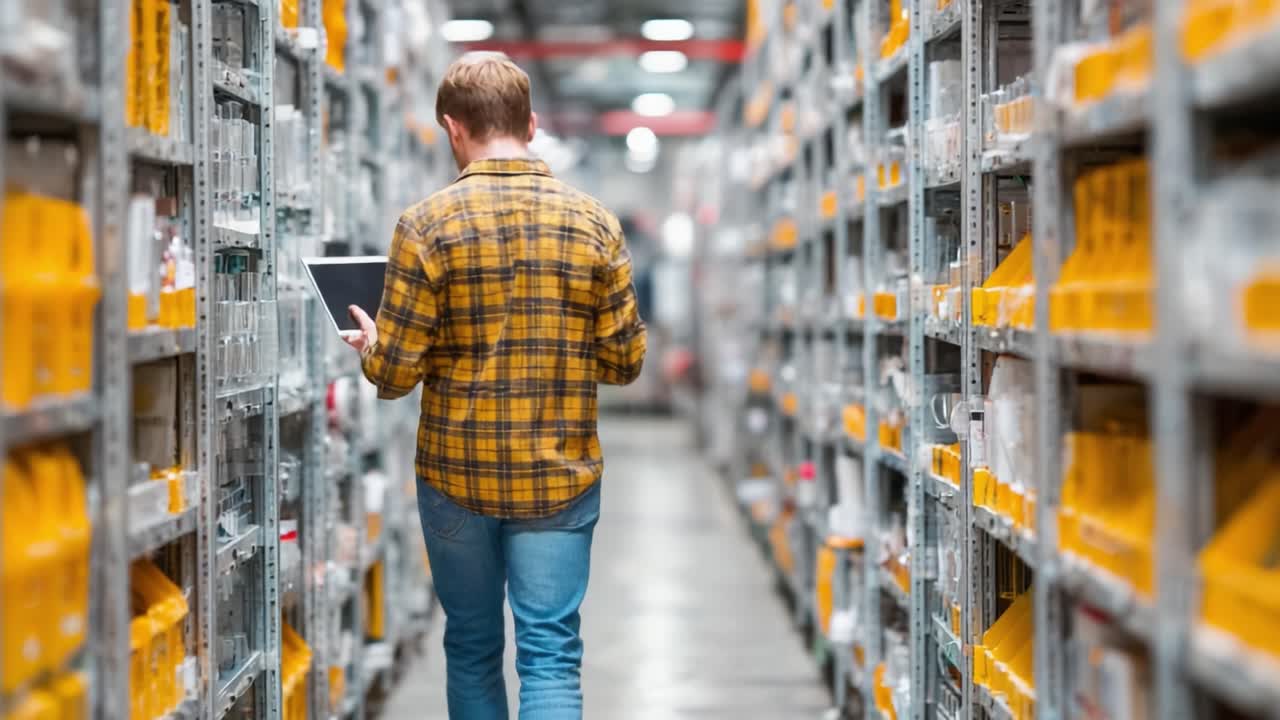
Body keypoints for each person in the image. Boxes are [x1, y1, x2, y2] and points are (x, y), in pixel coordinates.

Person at [340, 51, 646, 720]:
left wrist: (374, 345)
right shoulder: (595, 224)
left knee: (473, 647)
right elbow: (625, 363)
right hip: (559, 478)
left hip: (458, 481)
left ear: (453, 129)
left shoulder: (424, 226)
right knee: (550, 654)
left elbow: (393, 378)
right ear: (531, 124)